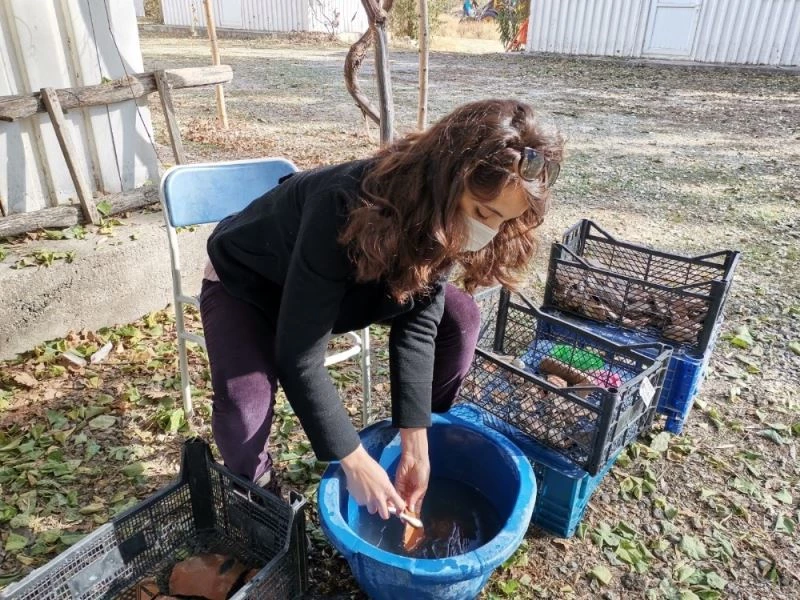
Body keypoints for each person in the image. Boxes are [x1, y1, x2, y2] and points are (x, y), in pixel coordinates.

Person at [200, 99, 563, 521]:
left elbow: (419, 323)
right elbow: (300, 356)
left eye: (504, 221)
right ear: (446, 179)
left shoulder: (442, 218)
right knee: (244, 404)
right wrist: (352, 459)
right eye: (484, 213)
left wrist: (416, 436)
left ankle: (430, 429)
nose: (489, 231)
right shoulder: (342, 203)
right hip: (253, 280)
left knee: (460, 318)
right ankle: (257, 493)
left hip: (348, 288)